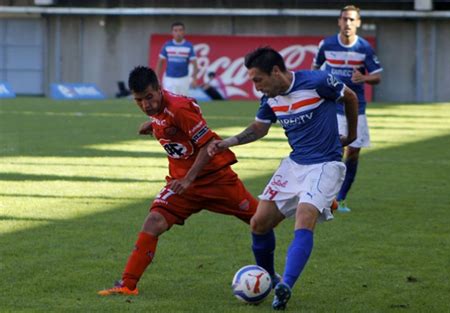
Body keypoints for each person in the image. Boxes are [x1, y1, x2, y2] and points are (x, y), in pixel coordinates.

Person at [208, 47, 358, 310]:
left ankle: (286, 286)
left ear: (275, 71)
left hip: (326, 164)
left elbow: (351, 97)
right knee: (259, 223)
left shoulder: (318, 81)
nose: (256, 87)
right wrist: (229, 142)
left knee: (305, 216)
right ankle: (272, 280)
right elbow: (259, 128)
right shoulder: (270, 98)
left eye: (258, 80)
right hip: (294, 164)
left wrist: (352, 136)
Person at [98, 66, 262, 296]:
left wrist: (188, 178)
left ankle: (310, 201)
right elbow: (173, 128)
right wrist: (154, 125)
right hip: (182, 185)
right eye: (138, 101)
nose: (145, 105)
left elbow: (208, 146)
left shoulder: (179, 109)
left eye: (149, 98)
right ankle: (127, 285)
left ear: (159, 89)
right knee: (153, 221)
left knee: (263, 220)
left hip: (216, 180)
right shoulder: (159, 111)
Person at [312, 5, 383, 212]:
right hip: (332, 106)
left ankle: (341, 197)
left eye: (352, 20)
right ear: (339, 22)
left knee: (352, 153)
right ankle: (326, 197)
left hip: (356, 108)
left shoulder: (364, 48)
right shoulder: (327, 45)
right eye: (344, 19)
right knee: (333, 151)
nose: (348, 23)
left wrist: (365, 77)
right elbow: (315, 71)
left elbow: (377, 76)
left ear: (358, 23)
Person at [155, 21, 198, 96]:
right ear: (172, 32)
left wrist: (194, 79)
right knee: (169, 100)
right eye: (175, 30)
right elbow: (160, 62)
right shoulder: (167, 45)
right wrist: (156, 78)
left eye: (180, 30)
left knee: (183, 100)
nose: (178, 33)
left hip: (183, 78)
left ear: (184, 32)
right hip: (169, 78)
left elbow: (194, 63)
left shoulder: (189, 46)